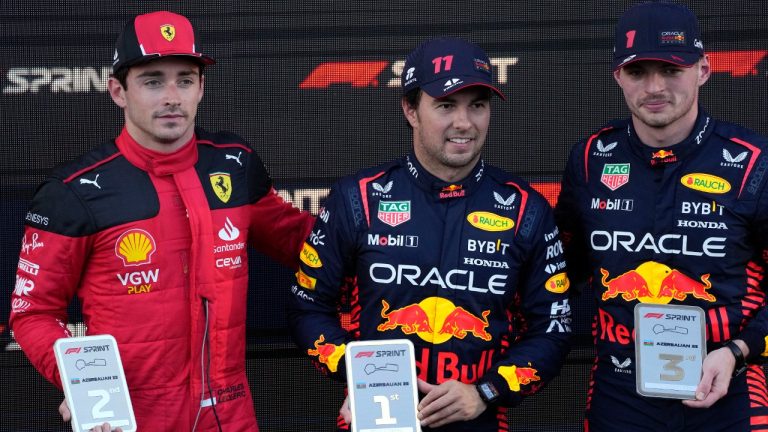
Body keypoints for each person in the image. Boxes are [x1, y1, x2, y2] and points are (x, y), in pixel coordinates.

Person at [9, 11, 314, 432]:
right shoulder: (73, 190)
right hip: (127, 418)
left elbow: (303, 242)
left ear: (201, 87)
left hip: (230, 414)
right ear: (118, 91)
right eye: (153, 81)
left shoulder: (234, 162)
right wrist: (82, 383)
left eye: (184, 80)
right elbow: (32, 311)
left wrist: (378, 232)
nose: (172, 96)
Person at [287, 37, 572, 431]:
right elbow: (308, 308)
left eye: (477, 105)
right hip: (377, 419)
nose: (464, 123)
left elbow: (552, 331)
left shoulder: (526, 209)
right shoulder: (358, 199)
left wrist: (485, 391)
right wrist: (358, 372)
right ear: (410, 109)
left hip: (480, 420)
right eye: (445, 105)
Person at [555, 2, 768, 430]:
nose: (654, 87)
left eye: (670, 70)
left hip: (729, 384)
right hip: (621, 390)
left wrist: (739, 350)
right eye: (638, 72)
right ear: (618, 76)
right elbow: (558, 274)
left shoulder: (752, 162)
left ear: (703, 70)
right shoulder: (590, 159)